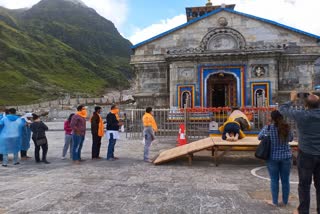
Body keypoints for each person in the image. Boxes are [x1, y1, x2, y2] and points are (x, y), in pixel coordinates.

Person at [279, 91, 320, 214]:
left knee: (304, 185)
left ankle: (303, 210)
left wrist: (292, 99)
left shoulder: (302, 115)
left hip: (306, 154)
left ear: (306, 105)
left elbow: (282, 109)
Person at [258, 110, 293, 207]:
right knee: (285, 180)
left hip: (272, 157)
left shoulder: (268, 128)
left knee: (274, 180)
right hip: (286, 157)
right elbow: (291, 139)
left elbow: (259, 137)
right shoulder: (287, 128)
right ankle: (285, 201)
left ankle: (274, 201)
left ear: (272, 118)